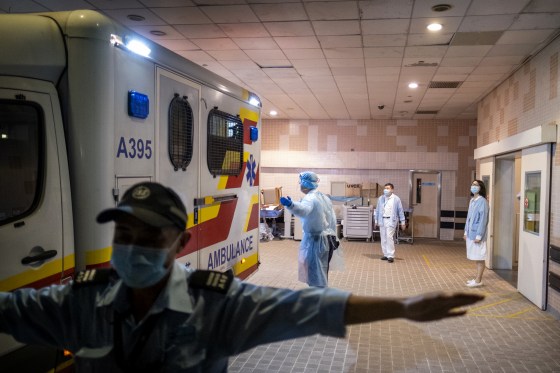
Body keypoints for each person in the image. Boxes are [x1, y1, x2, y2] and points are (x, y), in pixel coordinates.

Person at [0, 182, 484, 372]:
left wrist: (399, 307)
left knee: (316, 280)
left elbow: (306, 309)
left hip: (321, 245)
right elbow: (12, 311)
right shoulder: (84, 301)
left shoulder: (214, 305)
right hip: (317, 244)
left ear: (179, 244)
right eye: (123, 234)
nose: (132, 247)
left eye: (149, 238)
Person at [279, 171, 339, 287]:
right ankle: (321, 296)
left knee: (315, 274)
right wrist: (334, 236)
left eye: (300, 182)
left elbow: (304, 210)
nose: (300, 184)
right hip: (327, 239)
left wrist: (291, 205)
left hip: (316, 242)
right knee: (322, 271)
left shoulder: (310, 198)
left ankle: (317, 299)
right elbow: (332, 218)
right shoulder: (323, 197)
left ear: (305, 183)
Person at [463, 179, 489, 287]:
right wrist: (465, 231)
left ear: (480, 188)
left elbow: (483, 220)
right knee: (476, 257)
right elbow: (469, 218)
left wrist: (479, 235)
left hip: (477, 235)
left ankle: (478, 281)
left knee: (480, 258)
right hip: (470, 233)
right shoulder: (472, 200)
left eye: (476, 185)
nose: (473, 186)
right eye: (472, 184)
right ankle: (477, 279)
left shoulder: (482, 201)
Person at [374, 183, 406, 263]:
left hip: (391, 220)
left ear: (392, 190)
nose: (386, 190)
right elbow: (377, 210)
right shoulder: (381, 198)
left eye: (388, 188)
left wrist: (403, 222)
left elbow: (400, 211)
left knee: (389, 237)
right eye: (385, 188)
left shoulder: (396, 199)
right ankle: (385, 254)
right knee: (383, 238)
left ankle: (391, 255)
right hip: (382, 220)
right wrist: (376, 220)